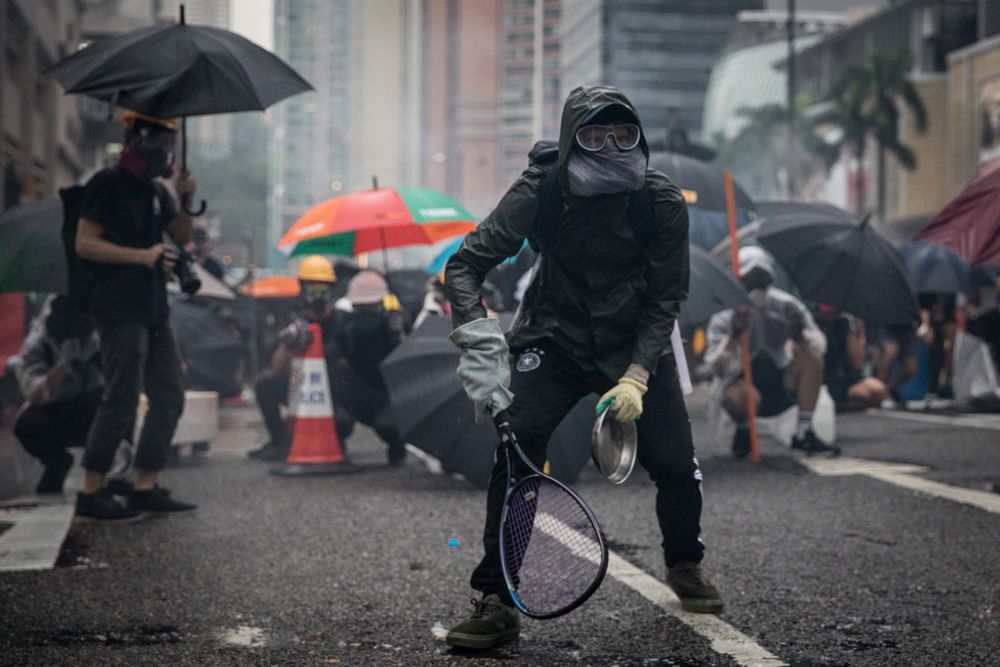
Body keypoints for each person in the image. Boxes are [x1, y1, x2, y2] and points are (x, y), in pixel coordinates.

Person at [443, 85, 722, 650]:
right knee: (516, 450)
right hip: (555, 334)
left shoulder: (660, 200)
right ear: (572, 142)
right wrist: (479, 340)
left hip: (635, 342)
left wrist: (639, 374)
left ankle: (685, 563)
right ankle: (498, 597)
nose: (612, 148)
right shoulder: (540, 189)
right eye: (594, 136)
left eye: (624, 135)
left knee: (674, 462)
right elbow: (465, 266)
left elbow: (666, 297)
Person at [73, 109, 198, 521]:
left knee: (170, 393)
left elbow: (180, 237)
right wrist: (140, 257)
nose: (164, 148)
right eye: (157, 138)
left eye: (170, 141)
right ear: (135, 138)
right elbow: (85, 243)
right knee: (122, 397)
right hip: (117, 308)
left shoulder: (157, 192)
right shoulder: (107, 184)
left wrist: (183, 199)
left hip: (154, 309)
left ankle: (145, 486)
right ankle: (92, 491)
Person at [705, 246, 838, 457]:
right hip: (742, 386)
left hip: (780, 381)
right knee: (739, 397)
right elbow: (714, 367)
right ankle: (744, 429)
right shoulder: (724, 314)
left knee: (811, 360)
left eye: (762, 279)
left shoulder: (787, 306)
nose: (757, 286)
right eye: (751, 279)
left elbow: (820, 348)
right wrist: (733, 336)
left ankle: (804, 432)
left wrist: (800, 335)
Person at [248, 255, 354, 462]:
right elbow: (277, 368)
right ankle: (280, 442)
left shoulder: (342, 321)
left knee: (342, 421)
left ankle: (334, 440)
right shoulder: (297, 321)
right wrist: (289, 342)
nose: (317, 294)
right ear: (302, 289)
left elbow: (349, 365)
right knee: (265, 386)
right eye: (312, 288)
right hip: (301, 387)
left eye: (322, 288)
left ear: (331, 289)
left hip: (335, 395)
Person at [14, 296, 102, 494]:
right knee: (26, 424)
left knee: (120, 411)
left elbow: (117, 385)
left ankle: (110, 472)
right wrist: (62, 364)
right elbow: (34, 392)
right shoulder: (36, 344)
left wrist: (95, 359)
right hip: (53, 411)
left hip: (89, 408)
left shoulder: (95, 339)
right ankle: (57, 462)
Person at [327, 270, 407, 465]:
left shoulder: (344, 327)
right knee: (387, 427)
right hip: (378, 400)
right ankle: (396, 446)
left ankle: (340, 441)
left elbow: (332, 354)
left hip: (361, 401)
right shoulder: (389, 325)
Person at [813, 305, 887, 412]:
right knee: (865, 394)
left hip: (845, 378)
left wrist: (859, 336)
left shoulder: (845, 324)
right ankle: (829, 407)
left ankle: (837, 408)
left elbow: (857, 364)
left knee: (878, 390)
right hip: (824, 379)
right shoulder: (813, 325)